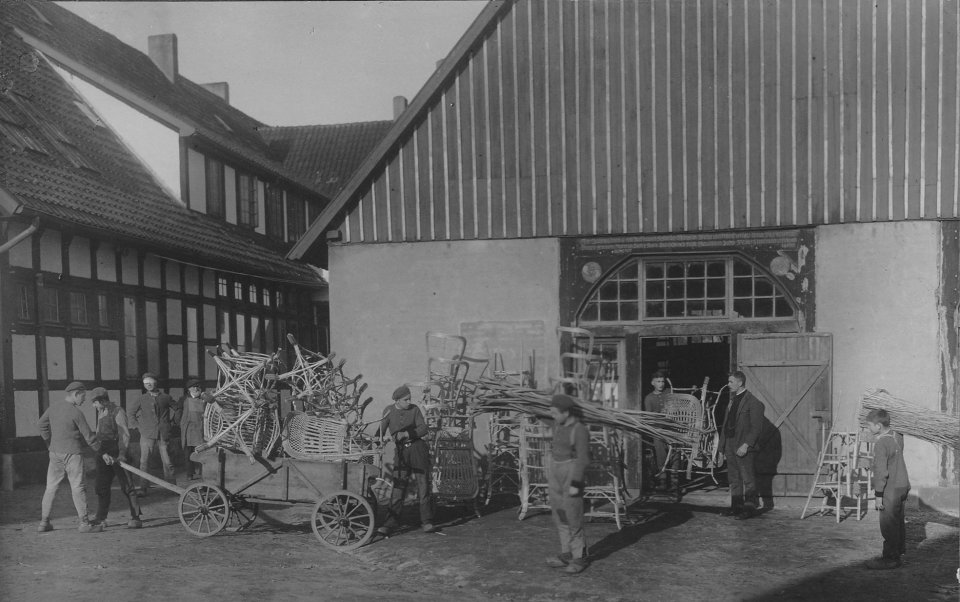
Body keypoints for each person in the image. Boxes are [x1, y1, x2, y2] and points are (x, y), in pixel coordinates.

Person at [37, 381, 102, 533]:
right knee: (78, 487)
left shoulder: (53, 407)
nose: (84, 400)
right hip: (73, 454)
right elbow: (89, 436)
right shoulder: (76, 413)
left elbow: (41, 424)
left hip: (55, 453)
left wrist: (49, 443)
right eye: (83, 396)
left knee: (51, 487)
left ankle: (44, 523)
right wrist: (101, 452)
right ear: (76, 394)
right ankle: (84, 524)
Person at [376, 385, 435, 536]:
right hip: (401, 453)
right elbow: (380, 432)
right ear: (397, 400)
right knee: (398, 487)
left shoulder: (415, 409)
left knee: (423, 486)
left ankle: (427, 522)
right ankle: (390, 524)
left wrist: (407, 434)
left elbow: (423, 429)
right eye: (405, 399)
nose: (409, 402)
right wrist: (379, 440)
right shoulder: (388, 411)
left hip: (418, 450)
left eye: (409, 399)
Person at [544, 393, 592, 574]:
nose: (552, 416)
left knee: (573, 514)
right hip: (555, 471)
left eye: (555, 413)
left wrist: (576, 484)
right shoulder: (557, 423)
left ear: (566, 412)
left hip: (572, 474)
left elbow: (584, 458)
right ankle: (567, 552)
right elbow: (538, 413)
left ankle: (580, 556)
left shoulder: (579, 429)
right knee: (560, 513)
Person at [89, 388, 142, 529]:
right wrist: (100, 452)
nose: (93, 406)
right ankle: (101, 518)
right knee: (101, 486)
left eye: (95, 403)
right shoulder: (101, 412)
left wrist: (122, 454)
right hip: (103, 452)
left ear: (102, 400)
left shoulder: (118, 411)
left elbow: (124, 434)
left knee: (127, 486)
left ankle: (136, 517)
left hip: (117, 450)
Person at [864, 409, 911, 570]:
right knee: (897, 521)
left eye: (869, 425)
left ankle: (890, 559)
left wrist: (878, 495)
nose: (868, 428)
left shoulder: (881, 443)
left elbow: (881, 472)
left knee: (888, 524)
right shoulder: (897, 436)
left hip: (890, 489)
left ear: (878, 426)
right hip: (903, 485)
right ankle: (898, 552)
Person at [718, 370, 764, 520]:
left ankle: (749, 509)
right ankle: (736, 507)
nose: (728, 384)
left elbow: (756, 428)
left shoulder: (754, 402)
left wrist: (746, 445)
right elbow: (726, 425)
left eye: (731, 382)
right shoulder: (732, 401)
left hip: (743, 445)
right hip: (730, 444)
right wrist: (721, 448)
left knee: (748, 479)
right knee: (734, 478)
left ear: (740, 382)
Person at [127, 372, 175, 492]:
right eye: (145, 383)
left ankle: (172, 487)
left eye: (150, 382)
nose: (148, 385)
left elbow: (178, 409)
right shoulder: (142, 398)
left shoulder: (166, 397)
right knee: (144, 461)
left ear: (156, 382)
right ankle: (143, 487)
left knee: (167, 461)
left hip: (163, 433)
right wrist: (139, 427)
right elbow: (131, 413)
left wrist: (172, 423)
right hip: (146, 434)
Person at [642, 370, 673, 489]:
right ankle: (663, 479)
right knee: (660, 451)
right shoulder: (649, 398)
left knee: (675, 451)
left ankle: (675, 479)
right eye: (658, 381)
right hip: (658, 430)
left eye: (663, 381)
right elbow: (650, 418)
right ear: (652, 383)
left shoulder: (669, 392)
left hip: (671, 428)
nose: (661, 384)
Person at [178, 378, 213, 480]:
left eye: (198, 387)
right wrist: (181, 425)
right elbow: (178, 413)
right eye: (193, 387)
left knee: (202, 453)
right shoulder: (183, 399)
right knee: (188, 454)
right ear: (189, 389)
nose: (196, 389)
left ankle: (203, 474)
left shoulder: (204, 399)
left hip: (200, 430)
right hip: (188, 430)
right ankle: (190, 474)